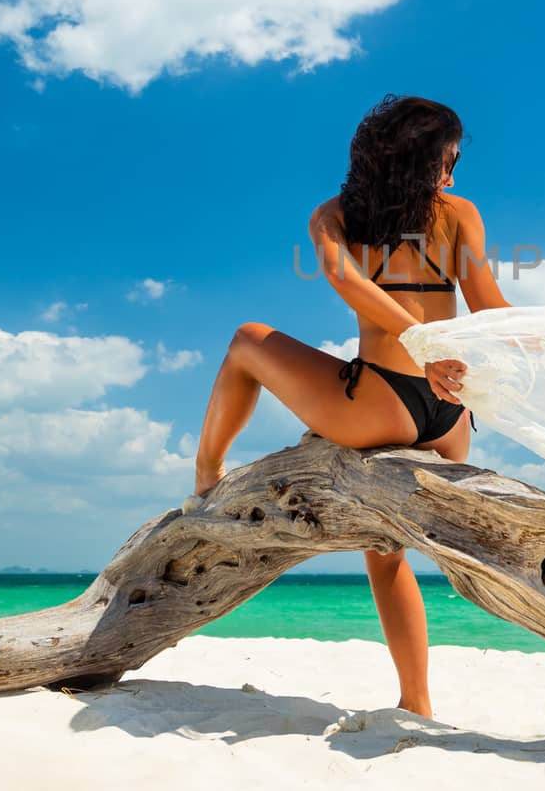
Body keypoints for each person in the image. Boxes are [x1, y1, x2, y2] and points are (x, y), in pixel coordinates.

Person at [190, 93, 510, 721]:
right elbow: (489, 307)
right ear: (421, 163)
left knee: (247, 341)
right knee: (387, 547)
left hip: (384, 405)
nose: (453, 175)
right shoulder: (459, 215)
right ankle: (415, 701)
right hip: (450, 417)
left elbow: (349, 284)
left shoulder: (333, 217)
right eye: (447, 161)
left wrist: (423, 352)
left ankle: (206, 474)